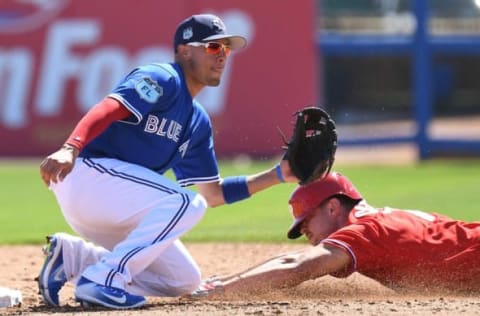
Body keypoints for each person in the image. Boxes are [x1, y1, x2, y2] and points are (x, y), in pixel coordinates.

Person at [37, 13, 297, 310]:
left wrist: (280, 174)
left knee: (182, 279)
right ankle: (102, 280)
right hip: (87, 175)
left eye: (226, 48)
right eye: (213, 47)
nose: (223, 55)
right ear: (184, 50)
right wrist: (70, 147)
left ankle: (73, 258)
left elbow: (213, 194)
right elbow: (109, 108)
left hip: (115, 206)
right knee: (186, 202)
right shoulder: (163, 78)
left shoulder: (197, 121)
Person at [191, 171, 480, 298]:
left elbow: (297, 267)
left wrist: (219, 289)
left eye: (307, 222)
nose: (306, 232)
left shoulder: (366, 231)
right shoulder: (381, 219)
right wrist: (224, 281)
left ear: (332, 207)